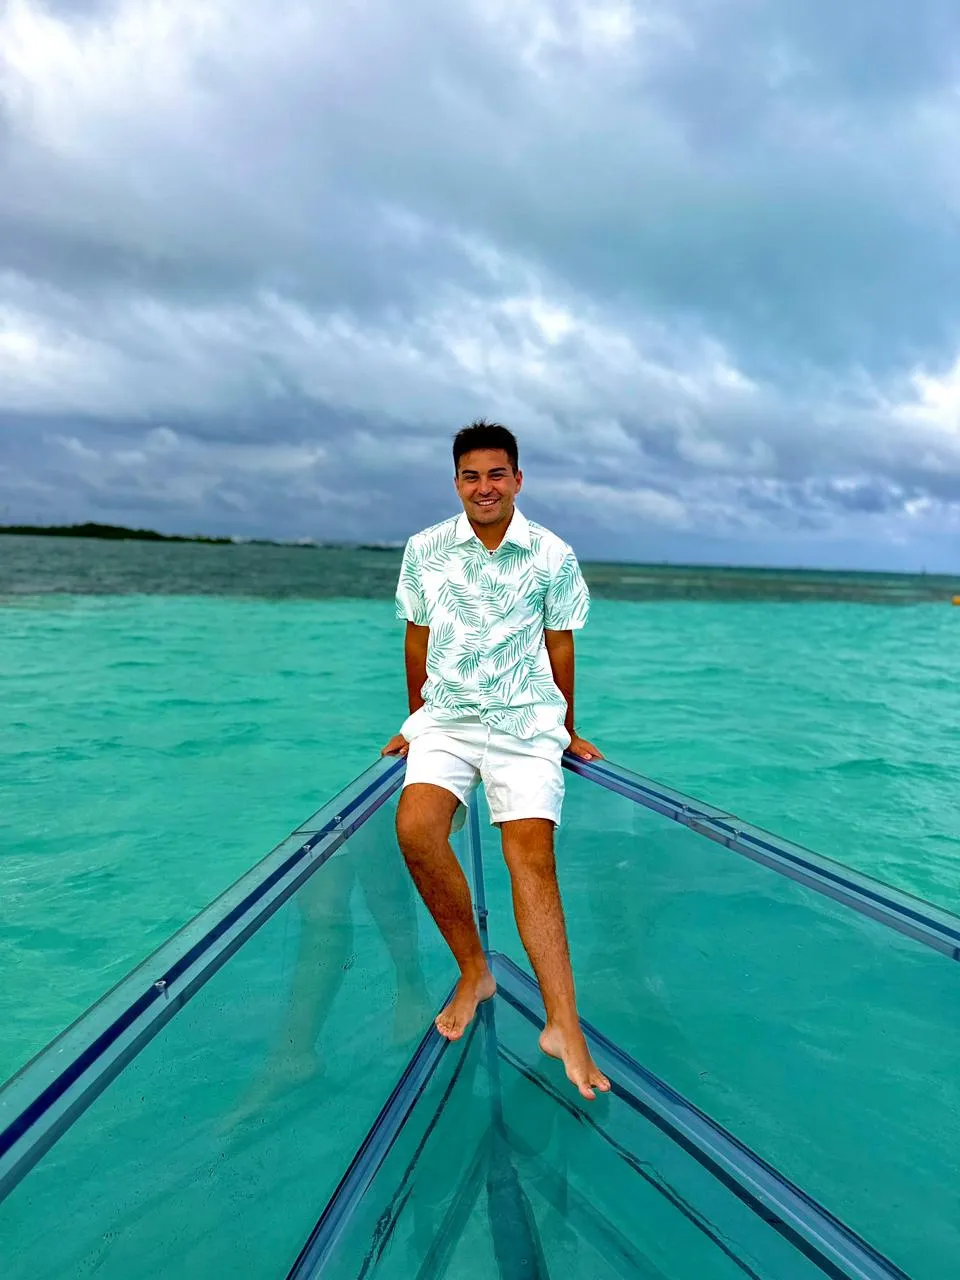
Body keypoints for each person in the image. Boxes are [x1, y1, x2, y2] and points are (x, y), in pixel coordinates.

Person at [381, 420, 611, 1101]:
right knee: (415, 829)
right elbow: (417, 638)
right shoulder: (424, 550)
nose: (485, 487)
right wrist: (415, 721)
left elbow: (561, 644)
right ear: (456, 482)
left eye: (496, 474)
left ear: (517, 479)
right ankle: (474, 970)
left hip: (525, 723)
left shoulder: (552, 554)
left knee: (529, 855)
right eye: (471, 476)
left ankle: (564, 1024)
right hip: (448, 721)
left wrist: (568, 729)